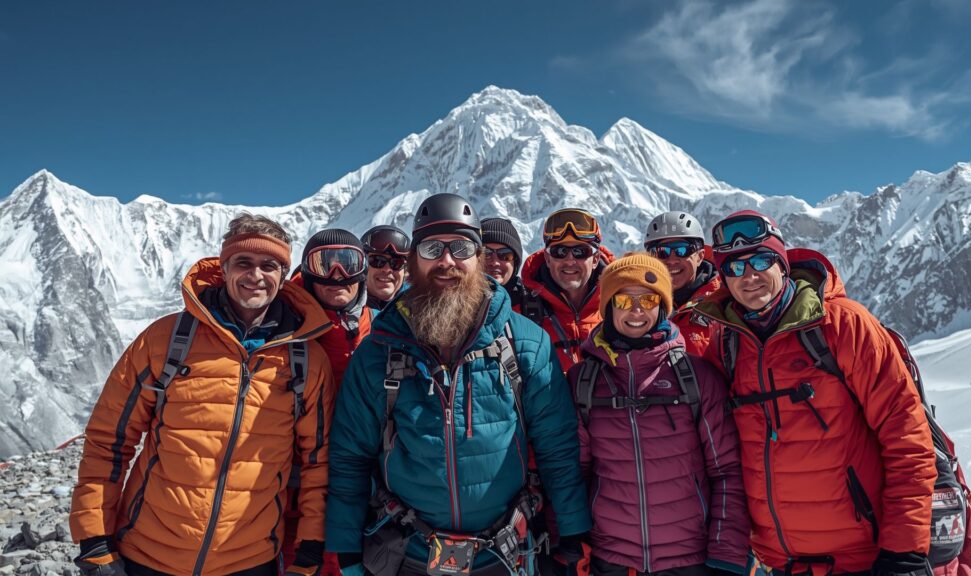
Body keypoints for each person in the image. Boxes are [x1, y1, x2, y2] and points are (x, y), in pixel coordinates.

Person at [326, 193, 591, 576]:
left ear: (478, 257)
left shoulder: (524, 343)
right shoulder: (378, 351)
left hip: (503, 552)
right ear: (414, 260)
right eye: (432, 248)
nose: (447, 261)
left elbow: (557, 449)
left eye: (460, 248)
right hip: (408, 552)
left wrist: (572, 531)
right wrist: (346, 547)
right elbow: (351, 457)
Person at [70, 213, 334, 576]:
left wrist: (309, 549)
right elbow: (108, 440)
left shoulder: (305, 360)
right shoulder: (165, 341)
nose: (256, 276)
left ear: (283, 276)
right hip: (147, 554)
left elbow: (319, 463)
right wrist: (95, 540)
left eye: (269, 266)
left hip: (249, 561)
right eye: (244, 262)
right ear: (223, 267)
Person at [696, 210, 936, 576]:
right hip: (780, 563)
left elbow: (907, 437)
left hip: (866, 560)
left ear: (782, 264)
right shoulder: (726, 344)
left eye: (761, 260)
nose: (750, 276)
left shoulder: (843, 326)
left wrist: (903, 549)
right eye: (735, 268)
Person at [569, 253, 749, 576]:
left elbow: (727, 472)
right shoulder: (585, 382)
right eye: (624, 300)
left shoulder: (695, 378)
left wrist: (726, 553)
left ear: (663, 306)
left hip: (689, 560)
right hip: (611, 560)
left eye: (649, 299)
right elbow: (575, 474)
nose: (637, 311)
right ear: (608, 308)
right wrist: (571, 545)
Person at [281, 228, 377, 576]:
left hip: (364, 493)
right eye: (324, 264)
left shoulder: (381, 328)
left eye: (349, 263)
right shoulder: (283, 328)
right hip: (295, 496)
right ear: (307, 271)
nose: (338, 276)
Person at [520, 208, 614, 371]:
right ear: (548, 259)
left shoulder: (621, 306)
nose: (570, 261)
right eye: (560, 251)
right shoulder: (520, 311)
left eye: (580, 252)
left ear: (595, 259)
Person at [644, 211, 720, 358]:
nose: (672, 260)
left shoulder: (724, 301)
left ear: (700, 256)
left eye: (682, 250)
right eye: (662, 252)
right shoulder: (638, 303)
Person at [361, 225, 410, 311]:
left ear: (404, 270)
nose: (387, 270)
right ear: (362, 265)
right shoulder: (344, 310)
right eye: (377, 261)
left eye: (396, 263)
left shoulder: (420, 308)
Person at [480, 216, 526, 308]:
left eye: (505, 255)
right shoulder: (453, 303)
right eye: (486, 253)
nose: (495, 262)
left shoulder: (533, 305)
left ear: (515, 263)